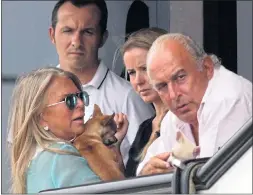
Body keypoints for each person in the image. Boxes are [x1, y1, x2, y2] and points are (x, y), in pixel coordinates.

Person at [47, 0, 155, 165]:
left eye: (87, 32)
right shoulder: (37, 95)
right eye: (68, 31)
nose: (76, 41)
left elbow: (147, 171)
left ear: (102, 38)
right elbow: (21, 162)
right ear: (52, 35)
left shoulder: (129, 97)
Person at [136, 33, 252, 176]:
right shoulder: (175, 116)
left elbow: (215, 181)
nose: (173, 95)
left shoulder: (229, 99)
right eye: (162, 86)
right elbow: (149, 165)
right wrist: (147, 172)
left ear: (207, 67)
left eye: (180, 77)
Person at [8, 67, 128, 193]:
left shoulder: (38, 159)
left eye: (81, 96)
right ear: (41, 117)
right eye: (69, 100)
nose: (81, 104)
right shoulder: (61, 155)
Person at [120, 27, 169, 177]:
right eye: (132, 73)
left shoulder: (185, 120)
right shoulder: (145, 127)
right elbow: (129, 181)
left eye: (144, 69)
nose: (138, 81)